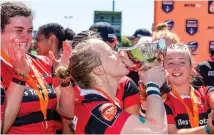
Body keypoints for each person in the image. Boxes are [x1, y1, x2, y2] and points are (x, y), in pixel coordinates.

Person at [57, 30, 168, 134]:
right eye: (110, 52)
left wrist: (144, 107)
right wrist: (153, 85)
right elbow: (157, 131)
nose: (119, 54)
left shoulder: (91, 103)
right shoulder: (98, 110)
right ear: (98, 69)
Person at [1, 2, 74, 133]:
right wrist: (20, 76)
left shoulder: (44, 62)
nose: (26, 37)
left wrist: (64, 78)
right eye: (19, 30)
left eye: (29, 31)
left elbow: (67, 112)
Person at [88, 23, 140, 114]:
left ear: (114, 43)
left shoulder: (126, 83)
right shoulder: (77, 79)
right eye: (92, 45)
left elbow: (135, 125)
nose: (96, 49)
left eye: (102, 45)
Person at [163, 43, 214, 134]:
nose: (176, 68)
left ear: (191, 67)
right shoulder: (163, 100)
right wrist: (206, 130)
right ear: (163, 68)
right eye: (170, 63)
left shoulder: (204, 92)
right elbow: (172, 133)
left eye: (182, 62)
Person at [35, 23, 76, 134]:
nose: (34, 45)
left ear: (52, 39)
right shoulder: (34, 68)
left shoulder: (70, 71)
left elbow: (68, 117)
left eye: (38, 40)